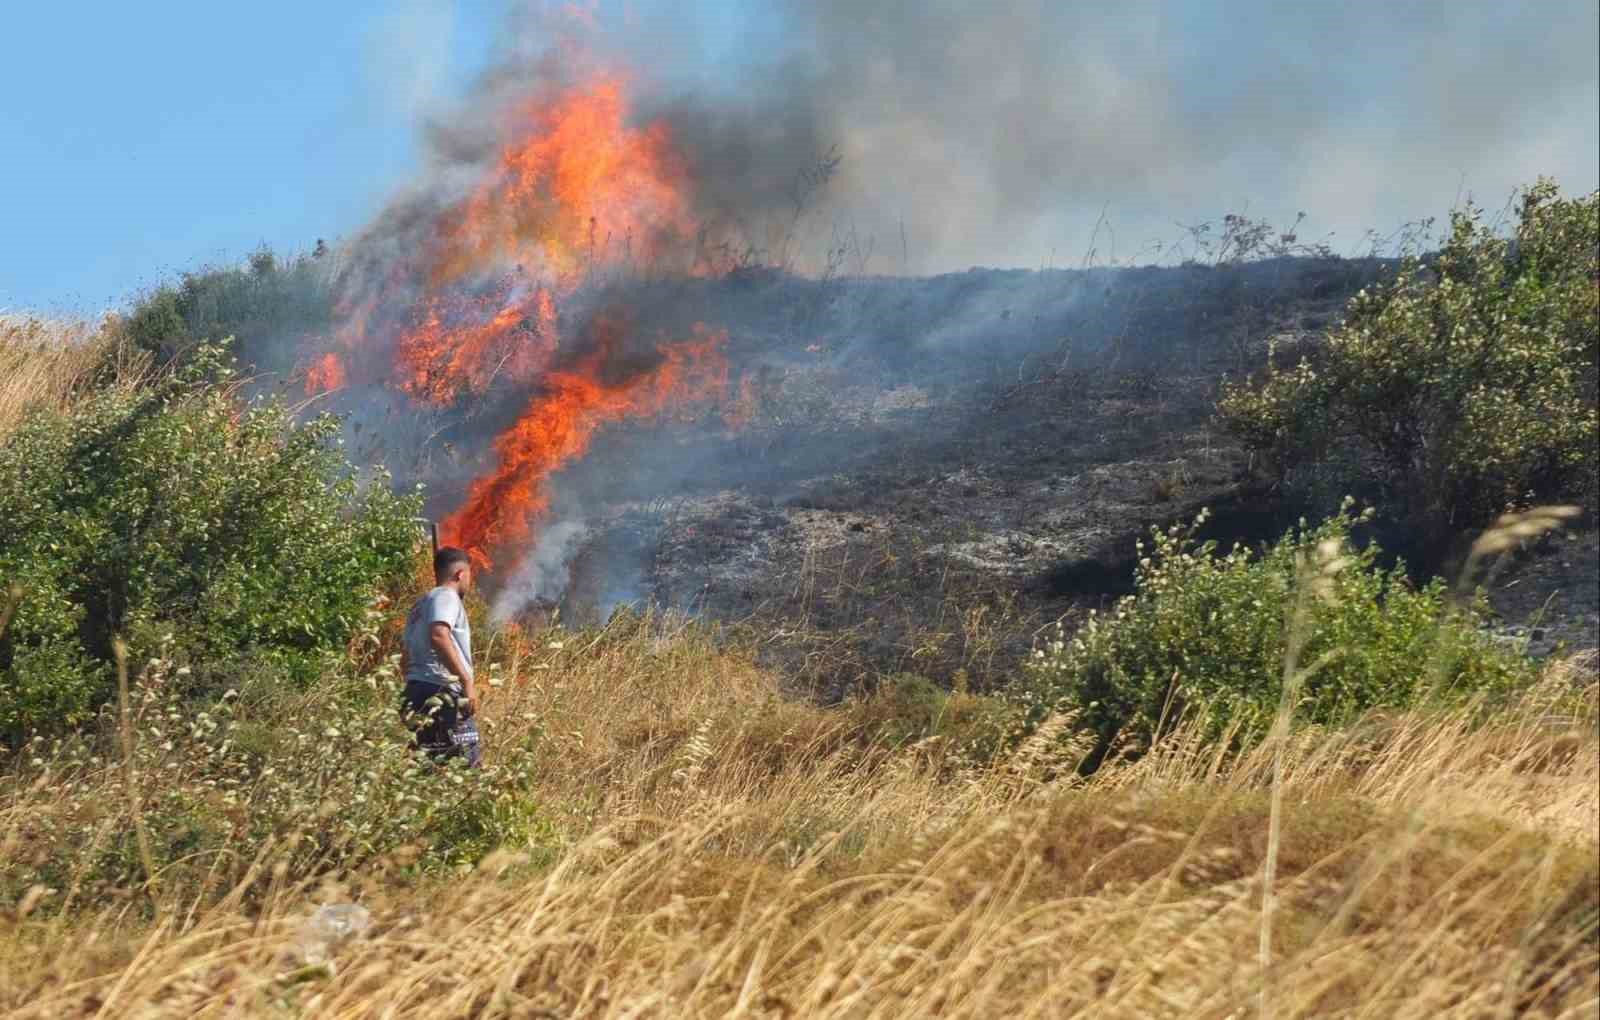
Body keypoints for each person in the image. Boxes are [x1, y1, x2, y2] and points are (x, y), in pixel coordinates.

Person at [399, 546, 482, 767]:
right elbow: (439, 634)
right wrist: (466, 681)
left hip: (415, 693)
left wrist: (410, 692)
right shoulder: (447, 596)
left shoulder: (419, 606)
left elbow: (404, 656)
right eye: (469, 576)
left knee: (428, 768)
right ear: (460, 574)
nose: (469, 583)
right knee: (466, 768)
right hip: (442, 694)